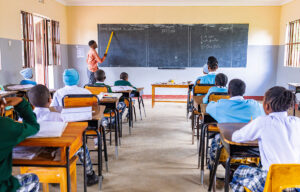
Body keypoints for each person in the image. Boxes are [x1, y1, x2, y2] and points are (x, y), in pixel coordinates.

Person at [230, 86, 300, 192]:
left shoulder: (262, 122)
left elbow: (236, 137)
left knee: (238, 172)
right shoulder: (297, 121)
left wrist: (252, 127)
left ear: (266, 106)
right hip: (295, 182)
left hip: (271, 180)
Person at [28, 84, 99, 186]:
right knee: (82, 145)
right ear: (50, 100)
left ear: (30, 102)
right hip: (58, 154)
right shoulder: (59, 117)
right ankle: (90, 175)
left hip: (34, 154)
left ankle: (52, 176)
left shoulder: (24, 119)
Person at [206, 79, 264, 168]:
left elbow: (208, 107)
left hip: (227, 148)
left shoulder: (221, 105)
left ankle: (214, 171)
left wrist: (213, 102)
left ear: (228, 91)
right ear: (244, 91)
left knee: (216, 138)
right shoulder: (255, 105)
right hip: (252, 150)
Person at [0, 97, 40, 192]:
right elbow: (34, 126)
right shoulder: (5, 126)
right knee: (33, 178)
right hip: (3, 188)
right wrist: (22, 103)